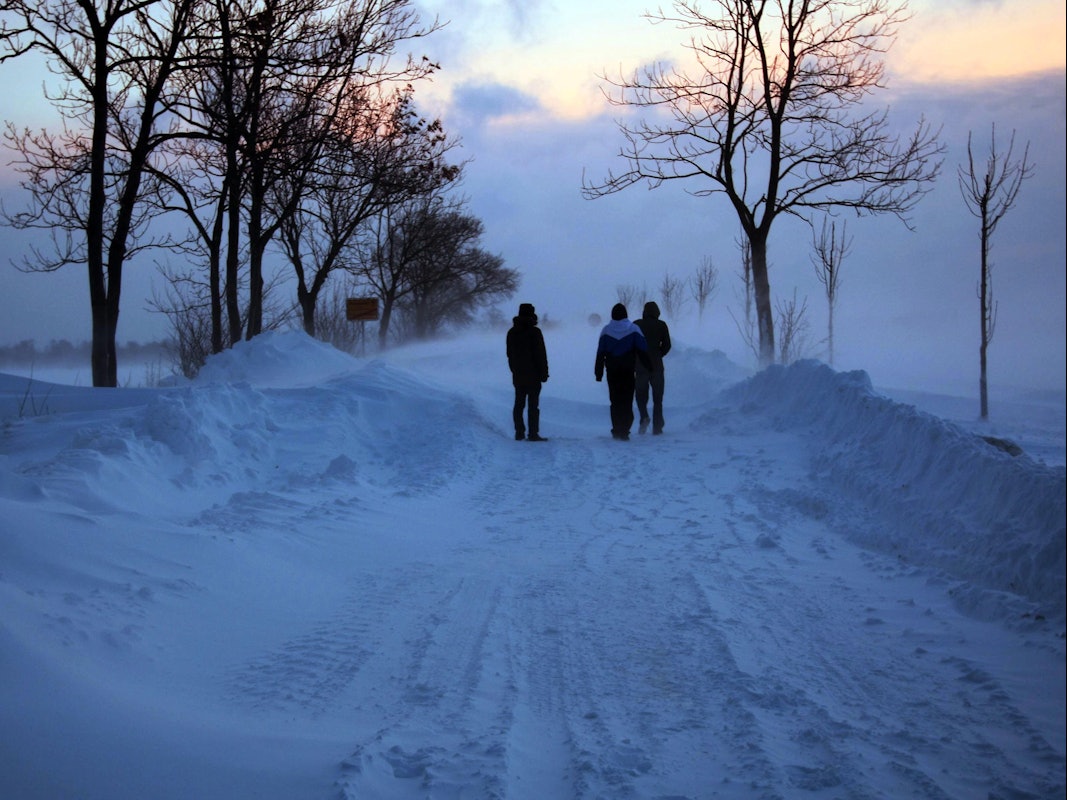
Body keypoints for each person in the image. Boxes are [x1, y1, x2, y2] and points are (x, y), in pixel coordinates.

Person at [594, 303, 652, 440]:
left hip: (612, 372)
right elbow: (643, 350)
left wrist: (598, 373)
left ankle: (616, 429)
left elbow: (600, 353)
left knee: (615, 401)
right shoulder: (633, 329)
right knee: (627, 401)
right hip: (628, 371)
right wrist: (649, 367)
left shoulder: (606, 330)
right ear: (626, 314)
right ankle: (625, 430)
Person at [506, 303, 549, 441]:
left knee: (519, 403)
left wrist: (514, 370)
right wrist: (544, 373)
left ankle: (519, 432)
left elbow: (509, 355)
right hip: (534, 374)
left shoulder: (511, 332)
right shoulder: (535, 332)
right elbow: (540, 354)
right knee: (533, 405)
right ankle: (533, 433)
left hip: (518, 374)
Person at [634, 300, 672, 435]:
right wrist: (658, 354)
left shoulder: (637, 324)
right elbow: (667, 345)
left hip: (640, 366)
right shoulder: (661, 325)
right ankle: (657, 427)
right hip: (656, 366)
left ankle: (644, 416)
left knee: (640, 396)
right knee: (658, 398)